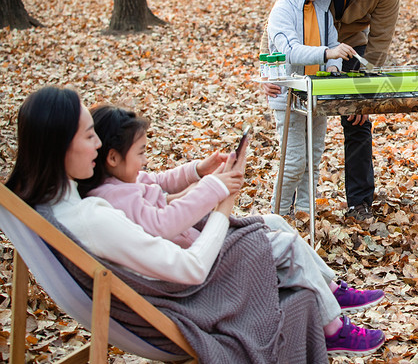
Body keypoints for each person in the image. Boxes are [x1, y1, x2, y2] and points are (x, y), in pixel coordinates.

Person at [5, 87, 386, 358]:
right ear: (58, 145)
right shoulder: (92, 215)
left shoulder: (52, 205)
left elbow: (154, 189)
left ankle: (332, 291)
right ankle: (333, 318)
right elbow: (187, 265)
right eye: (89, 136)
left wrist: (203, 185)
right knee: (278, 251)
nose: (98, 146)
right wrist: (222, 201)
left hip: (171, 280)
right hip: (188, 297)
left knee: (269, 230)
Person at [262, 0, 400, 222]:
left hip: (353, 49)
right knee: (298, 149)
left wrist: (364, 93)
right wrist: (268, 70)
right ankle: (285, 211)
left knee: (358, 122)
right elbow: (276, 26)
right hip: (306, 49)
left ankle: (359, 203)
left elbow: (380, 43)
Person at [265, 0, 356, 215]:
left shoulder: (322, 8)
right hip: (290, 97)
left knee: (312, 159)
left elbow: (332, 45)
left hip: (317, 94)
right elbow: (289, 50)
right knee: (293, 162)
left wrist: (334, 64)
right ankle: (278, 215)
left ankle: (305, 214)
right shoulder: (282, 11)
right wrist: (328, 52)